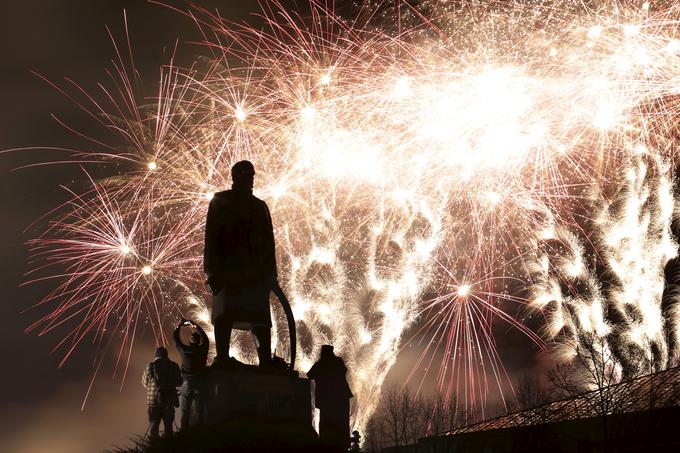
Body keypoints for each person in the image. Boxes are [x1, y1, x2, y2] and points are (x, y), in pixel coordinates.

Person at [203, 160, 278, 367]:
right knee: (224, 317)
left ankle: (265, 362)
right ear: (235, 177)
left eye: (251, 175)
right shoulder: (220, 200)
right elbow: (211, 238)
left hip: (255, 274)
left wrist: (271, 275)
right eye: (245, 175)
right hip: (228, 272)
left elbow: (269, 244)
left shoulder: (260, 206)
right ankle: (223, 358)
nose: (249, 179)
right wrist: (211, 271)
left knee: (260, 320)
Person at [307, 345, 353, 453]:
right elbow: (344, 370)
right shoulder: (338, 362)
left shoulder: (320, 364)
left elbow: (310, 375)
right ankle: (342, 443)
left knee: (326, 424)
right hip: (341, 398)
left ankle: (327, 443)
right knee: (342, 423)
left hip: (327, 400)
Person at [173, 318, 209, 430]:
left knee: (185, 411)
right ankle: (199, 433)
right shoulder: (203, 350)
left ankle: (184, 433)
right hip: (200, 382)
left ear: (190, 341)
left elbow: (176, 339)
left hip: (187, 383)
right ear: (198, 341)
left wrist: (179, 326)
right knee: (200, 410)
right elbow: (205, 338)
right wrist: (195, 325)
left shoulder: (184, 351)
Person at [142, 346, 182, 441]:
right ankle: (167, 446)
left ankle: (154, 447)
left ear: (156, 355)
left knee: (154, 424)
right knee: (168, 425)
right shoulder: (174, 365)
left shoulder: (150, 366)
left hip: (154, 401)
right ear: (166, 355)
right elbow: (179, 382)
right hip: (169, 400)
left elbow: (144, 383)